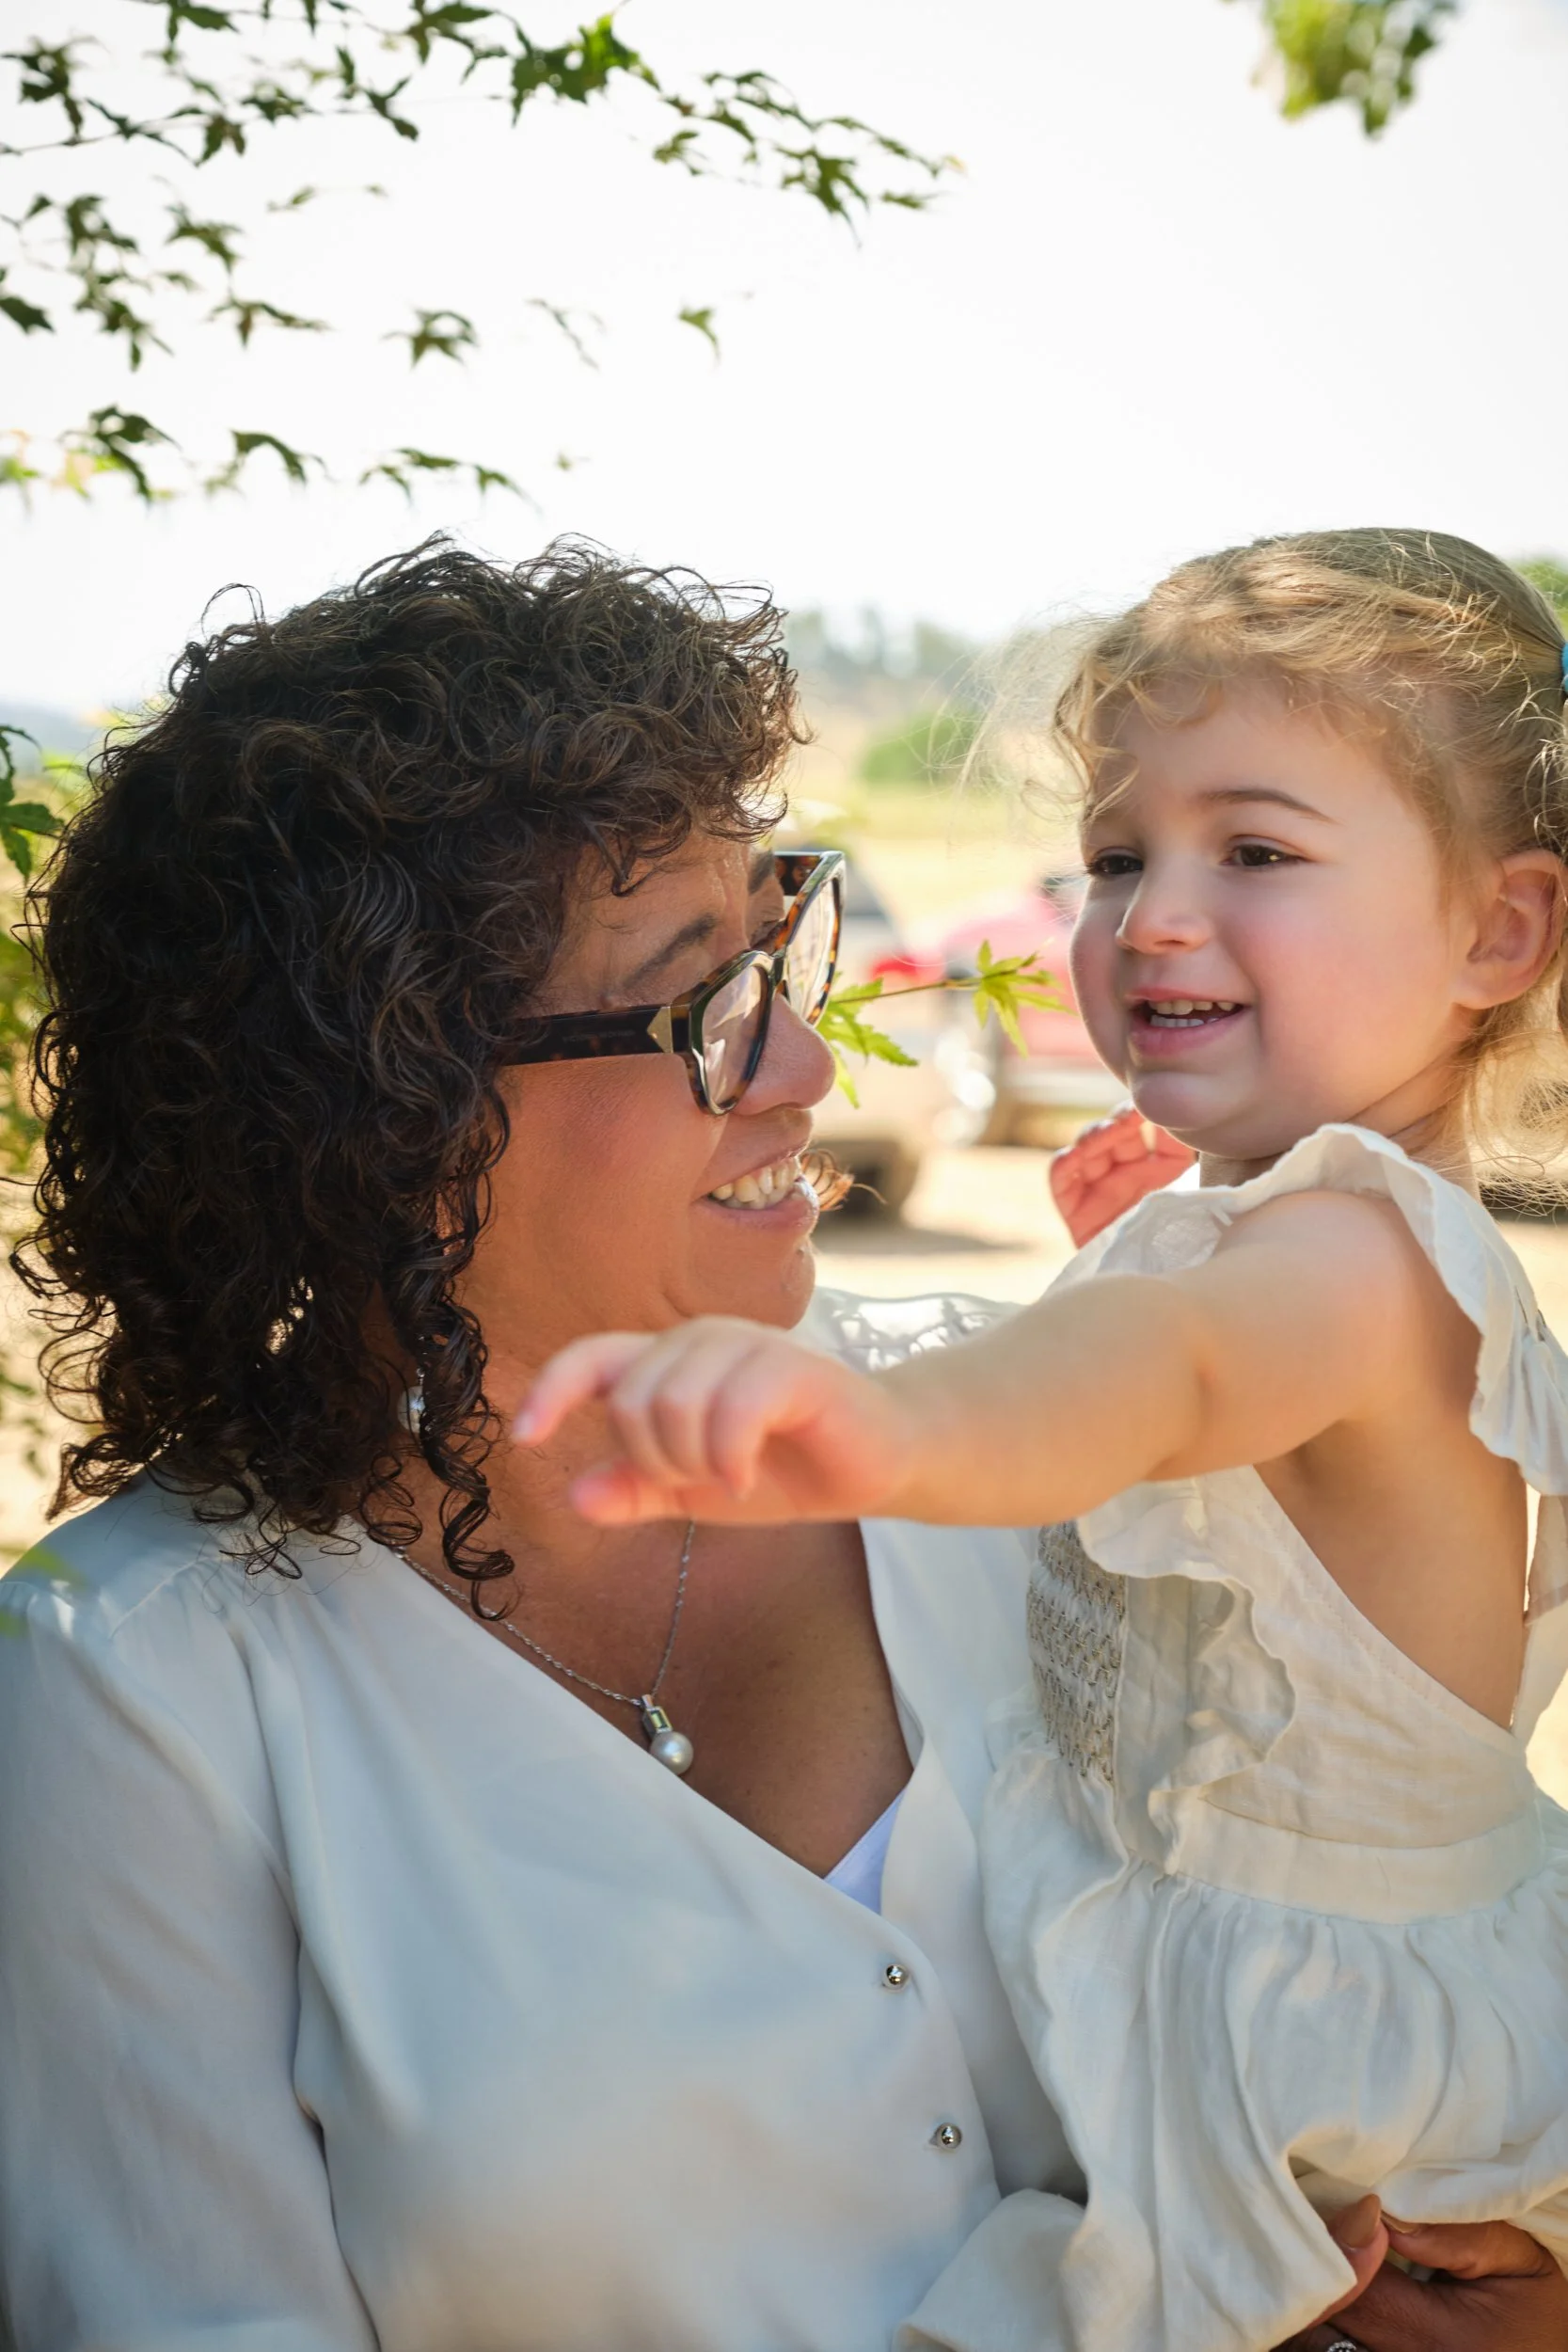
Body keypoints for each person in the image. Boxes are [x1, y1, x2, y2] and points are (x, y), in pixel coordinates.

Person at [0, 535, 1436, 2352]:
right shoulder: (125, 1693)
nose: (806, 1070)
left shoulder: (1033, 1431)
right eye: (704, 1009)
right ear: (385, 1107)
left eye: (782, 950)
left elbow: (1408, 1937)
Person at [522, 528, 1568, 2351]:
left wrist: (873, 1422)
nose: (1150, 912)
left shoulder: (1346, 1257)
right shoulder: (1292, 1247)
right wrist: (1136, 1260)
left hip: (1318, 2076)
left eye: (1252, 849)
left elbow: (1156, 1372)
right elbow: (1203, 1403)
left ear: (1494, 927)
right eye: (1114, 855)